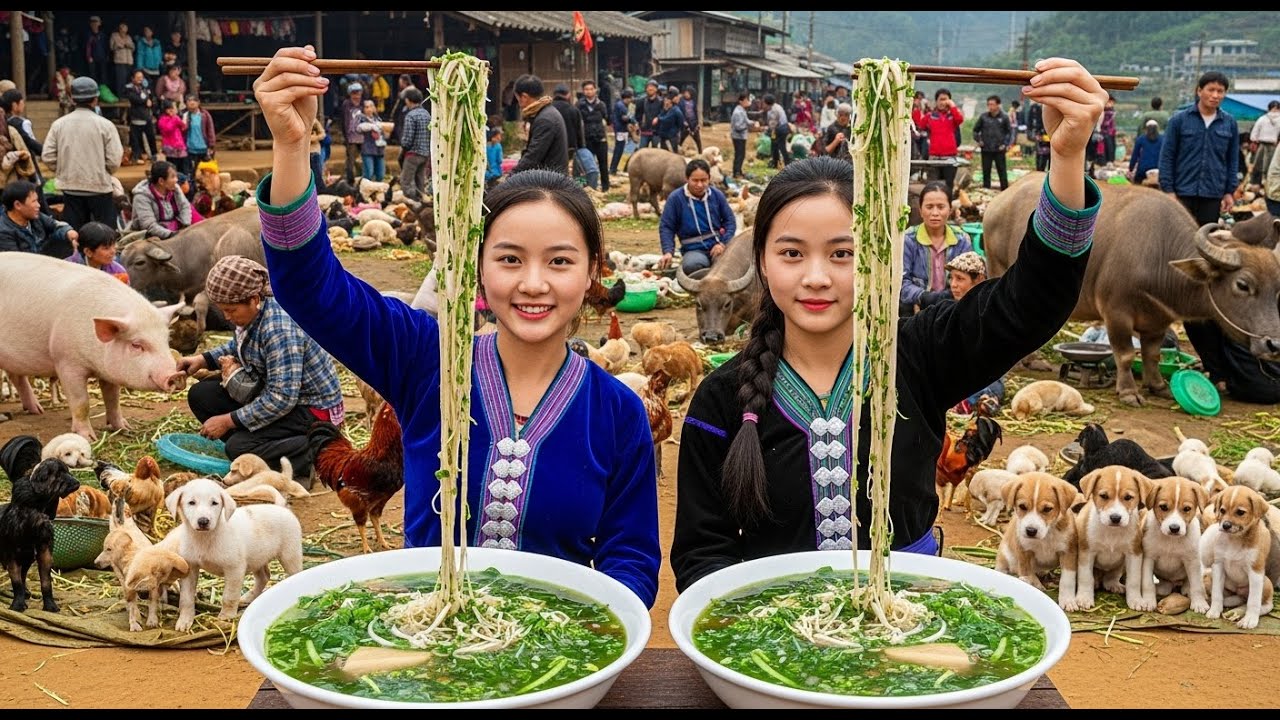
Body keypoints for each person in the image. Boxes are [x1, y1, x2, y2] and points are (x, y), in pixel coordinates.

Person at [670, 57, 1107, 590]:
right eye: (791, 253)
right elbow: (702, 553)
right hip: (772, 645)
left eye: (842, 253)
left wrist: (1066, 157)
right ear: (761, 261)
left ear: (879, 257)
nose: (816, 277)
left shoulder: (919, 355)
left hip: (911, 628)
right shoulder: (721, 399)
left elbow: (1031, 302)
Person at [247, 45, 661, 606]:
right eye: (510, 259)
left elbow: (630, 557)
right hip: (431, 643)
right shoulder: (428, 361)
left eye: (560, 261)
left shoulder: (616, 412)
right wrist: (291, 145)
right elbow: (310, 289)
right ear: (475, 267)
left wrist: (590, 640)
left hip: (556, 658)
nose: (533, 283)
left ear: (593, 272)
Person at [177, 255, 345, 486]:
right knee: (201, 395)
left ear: (254, 299)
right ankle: (265, 447)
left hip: (312, 411)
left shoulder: (279, 329)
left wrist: (229, 420)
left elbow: (281, 398)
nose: (227, 316)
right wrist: (203, 359)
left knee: (238, 447)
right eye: (222, 309)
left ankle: (309, 453)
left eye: (231, 310)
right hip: (280, 397)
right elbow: (240, 346)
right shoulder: (252, 315)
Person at [41, 76, 123, 231]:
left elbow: (48, 156)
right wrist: (102, 170)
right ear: (95, 99)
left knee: (75, 236)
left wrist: (64, 169)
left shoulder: (59, 124)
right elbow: (114, 160)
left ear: (73, 99)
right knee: (105, 236)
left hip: (70, 187)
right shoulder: (106, 125)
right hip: (99, 188)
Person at [1159, 71, 1238, 228]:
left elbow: (1232, 159)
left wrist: (1229, 191)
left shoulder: (1229, 123)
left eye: (1220, 91)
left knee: (1205, 240)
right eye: (1211, 90)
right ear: (1199, 90)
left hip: (1213, 193)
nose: (1215, 95)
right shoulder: (1179, 120)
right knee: (1178, 239)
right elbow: (1167, 156)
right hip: (1182, 191)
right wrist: (1168, 190)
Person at [899, 181, 973, 315]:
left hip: (952, 309)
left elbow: (968, 280)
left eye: (940, 207)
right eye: (929, 207)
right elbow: (902, 283)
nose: (935, 213)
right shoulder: (908, 240)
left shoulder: (962, 240)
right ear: (921, 211)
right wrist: (924, 297)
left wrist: (947, 297)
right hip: (917, 310)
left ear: (950, 210)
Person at [658, 158, 736, 275]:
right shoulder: (676, 198)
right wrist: (668, 251)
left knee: (731, 264)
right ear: (687, 179)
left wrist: (722, 243)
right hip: (693, 249)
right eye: (695, 180)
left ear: (709, 178)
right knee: (692, 266)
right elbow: (666, 227)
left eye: (704, 180)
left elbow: (730, 221)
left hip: (717, 246)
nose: (699, 185)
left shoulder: (717, 195)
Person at [0, 179, 76, 256]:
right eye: (34, 201)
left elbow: (54, 224)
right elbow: (16, 262)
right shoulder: (3, 231)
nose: (38, 205)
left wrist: (68, 232)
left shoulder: (35, 216)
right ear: (17, 205)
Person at [511, 73, 568, 175]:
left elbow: (532, 157)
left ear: (524, 97)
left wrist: (509, 179)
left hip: (550, 183)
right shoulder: (544, 113)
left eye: (517, 98)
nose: (518, 104)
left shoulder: (545, 119)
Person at [913, 88, 964, 193]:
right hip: (934, 156)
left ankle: (947, 207)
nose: (943, 102)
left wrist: (953, 107)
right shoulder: (930, 116)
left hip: (950, 156)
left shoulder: (953, 116)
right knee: (933, 186)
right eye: (941, 99)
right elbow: (920, 125)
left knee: (948, 185)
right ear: (936, 101)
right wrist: (918, 108)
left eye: (946, 99)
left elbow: (960, 120)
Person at [129, 160, 193, 239]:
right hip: (150, 237)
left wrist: (185, 226)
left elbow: (185, 207)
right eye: (173, 177)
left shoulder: (175, 188)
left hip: (176, 233)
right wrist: (172, 235)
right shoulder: (142, 197)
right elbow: (149, 225)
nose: (176, 180)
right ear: (161, 181)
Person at [397, 87, 430, 201]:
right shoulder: (427, 114)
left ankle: (412, 204)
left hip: (412, 154)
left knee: (406, 182)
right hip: (425, 154)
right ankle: (422, 203)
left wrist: (402, 151)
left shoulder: (411, 116)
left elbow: (407, 139)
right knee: (420, 181)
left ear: (407, 100)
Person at [973, 95, 1012, 190]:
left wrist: (1005, 144)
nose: (990, 107)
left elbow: (1009, 132)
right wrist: (979, 140)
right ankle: (986, 190)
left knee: (1002, 171)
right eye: (989, 104)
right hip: (986, 149)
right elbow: (975, 130)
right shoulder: (983, 117)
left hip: (999, 149)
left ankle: (1005, 190)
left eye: (992, 104)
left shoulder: (1004, 117)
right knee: (986, 172)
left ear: (998, 105)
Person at [577, 80, 611, 192]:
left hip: (600, 139)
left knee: (603, 165)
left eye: (591, 89)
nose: (589, 92)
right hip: (586, 140)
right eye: (586, 89)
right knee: (584, 166)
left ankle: (606, 188)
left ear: (595, 90)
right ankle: (585, 188)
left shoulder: (601, 104)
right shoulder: (579, 105)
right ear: (583, 91)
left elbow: (607, 120)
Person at [120, 69, 156, 165]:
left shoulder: (145, 87)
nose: (140, 79)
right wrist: (145, 101)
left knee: (151, 137)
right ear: (132, 78)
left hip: (147, 116)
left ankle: (153, 155)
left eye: (142, 77)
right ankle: (137, 156)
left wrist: (149, 101)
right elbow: (135, 99)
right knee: (136, 139)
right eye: (138, 77)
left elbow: (151, 98)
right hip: (135, 117)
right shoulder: (129, 88)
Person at [551, 83, 586, 182]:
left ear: (554, 95)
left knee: (553, 173)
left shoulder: (548, 109)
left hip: (552, 147)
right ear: (568, 95)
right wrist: (580, 146)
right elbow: (579, 131)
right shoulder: (573, 110)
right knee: (568, 173)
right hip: (570, 148)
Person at [1248, 100, 1280, 189]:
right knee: (1273, 166)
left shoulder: (1262, 118)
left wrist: (1254, 141)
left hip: (1261, 144)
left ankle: (1255, 183)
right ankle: (1269, 184)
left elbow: (1255, 132)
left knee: (1258, 164)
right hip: (1275, 146)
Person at [355, 98, 387, 182]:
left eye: (371, 106)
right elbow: (359, 128)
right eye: (366, 107)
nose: (369, 109)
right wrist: (372, 126)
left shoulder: (378, 119)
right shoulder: (361, 118)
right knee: (368, 173)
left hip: (379, 149)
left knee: (380, 174)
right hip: (368, 149)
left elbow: (384, 133)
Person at [338, 81, 364, 184]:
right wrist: (345, 137)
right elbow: (343, 121)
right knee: (351, 159)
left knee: (363, 159)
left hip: (363, 137)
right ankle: (350, 180)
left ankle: (362, 179)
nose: (356, 96)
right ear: (350, 94)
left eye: (358, 93)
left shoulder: (364, 104)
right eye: (354, 93)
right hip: (351, 137)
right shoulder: (346, 104)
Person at [156, 100, 190, 177]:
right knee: (173, 168)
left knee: (184, 169)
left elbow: (184, 127)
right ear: (168, 110)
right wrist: (174, 119)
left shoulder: (176, 117)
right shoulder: (162, 119)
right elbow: (168, 129)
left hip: (180, 146)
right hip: (170, 147)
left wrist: (176, 119)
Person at [609, 87, 635, 176]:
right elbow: (625, 118)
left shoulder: (621, 104)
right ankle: (613, 169)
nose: (631, 100)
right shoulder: (621, 106)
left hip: (621, 130)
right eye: (631, 98)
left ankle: (614, 168)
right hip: (620, 130)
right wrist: (632, 120)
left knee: (619, 149)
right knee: (618, 149)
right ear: (627, 98)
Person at [1127, 119, 1163, 186]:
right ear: (1157, 128)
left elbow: (1135, 155)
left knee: (1137, 183)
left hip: (1143, 169)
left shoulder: (1141, 139)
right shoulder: (1163, 139)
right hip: (1158, 168)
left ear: (1146, 129)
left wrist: (1131, 168)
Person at [182, 94, 215, 165]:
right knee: (192, 171)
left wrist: (211, 145)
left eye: (194, 100)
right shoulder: (184, 115)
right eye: (189, 100)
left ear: (198, 102)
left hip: (204, 148)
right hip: (190, 148)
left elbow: (210, 130)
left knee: (207, 170)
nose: (192, 103)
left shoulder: (205, 115)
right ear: (186, 103)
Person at [762, 94, 790, 169]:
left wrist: (766, 129)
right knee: (775, 146)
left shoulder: (773, 110)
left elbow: (773, 124)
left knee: (780, 147)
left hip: (780, 129)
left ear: (767, 103)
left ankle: (787, 164)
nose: (763, 104)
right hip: (782, 128)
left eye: (763, 102)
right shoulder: (775, 106)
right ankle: (776, 163)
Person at [635, 79, 663, 149]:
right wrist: (640, 124)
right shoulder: (641, 101)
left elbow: (663, 114)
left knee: (656, 152)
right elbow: (637, 114)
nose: (650, 88)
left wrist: (658, 118)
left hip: (656, 132)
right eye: (649, 87)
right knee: (642, 151)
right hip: (645, 131)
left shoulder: (661, 101)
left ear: (656, 89)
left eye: (653, 87)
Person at [108, 21, 134, 95]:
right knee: (120, 79)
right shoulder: (114, 35)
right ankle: (120, 95)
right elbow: (111, 47)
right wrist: (118, 46)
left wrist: (129, 45)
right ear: (119, 28)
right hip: (119, 60)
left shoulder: (128, 37)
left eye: (125, 28)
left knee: (127, 79)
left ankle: (127, 94)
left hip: (129, 60)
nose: (124, 29)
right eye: (122, 27)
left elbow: (133, 47)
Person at [729, 92, 751, 179]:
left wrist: (753, 123)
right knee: (739, 155)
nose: (748, 102)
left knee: (741, 154)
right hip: (738, 136)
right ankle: (736, 172)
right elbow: (738, 127)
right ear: (741, 101)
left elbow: (747, 121)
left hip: (742, 136)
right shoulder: (738, 112)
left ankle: (739, 171)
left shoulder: (742, 110)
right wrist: (749, 127)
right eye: (746, 100)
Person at [679, 85, 702, 153]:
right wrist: (683, 121)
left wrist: (697, 123)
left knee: (698, 140)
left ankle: (700, 152)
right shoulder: (681, 102)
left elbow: (696, 112)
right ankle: (677, 151)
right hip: (685, 123)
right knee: (681, 139)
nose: (686, 94)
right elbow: (680, 113)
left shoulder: (693, 102)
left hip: (693, 123)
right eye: (685, 93)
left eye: (688, 93)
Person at [1100, 94, 1118, 166]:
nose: (1112, 104)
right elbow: (1105, 123)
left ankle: (1110, 161)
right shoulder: (1105, 112)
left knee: (1111, 147)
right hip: (1105, 133)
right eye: (1110, 102)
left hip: (1110, 132)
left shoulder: (1111, 111)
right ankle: (1108, 162)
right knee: (1108, 147)